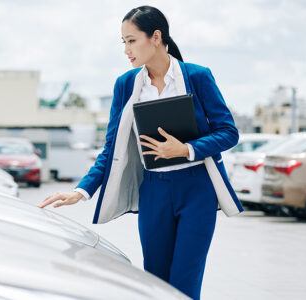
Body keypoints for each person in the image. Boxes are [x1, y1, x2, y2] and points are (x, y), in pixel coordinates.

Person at [37, 5, 244, 300]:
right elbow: (111, 147)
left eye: (132, 40)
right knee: (155, 281)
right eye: (124, 42)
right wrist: (82, 191)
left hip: (197, 190)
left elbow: (228, 132)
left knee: (185, 281)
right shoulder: (125, 85)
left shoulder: (197, 76)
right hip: (154, 192)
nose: (127, 50)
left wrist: (186, 149)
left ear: (156, 37)